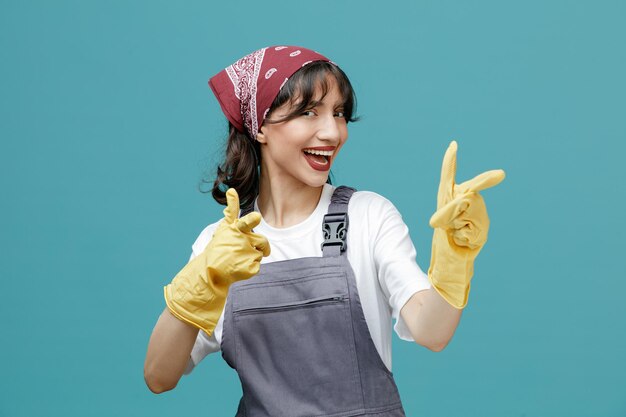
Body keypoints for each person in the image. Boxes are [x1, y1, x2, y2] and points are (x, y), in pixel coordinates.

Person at [144, 45, 505, 416]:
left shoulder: (368, 217)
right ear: (260, 127)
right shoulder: (221, 245)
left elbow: (433, 332)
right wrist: (199, 283)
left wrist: (455, 258)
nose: (333, 132)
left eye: (339, 113)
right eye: (309, 112)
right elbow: (159, 376)